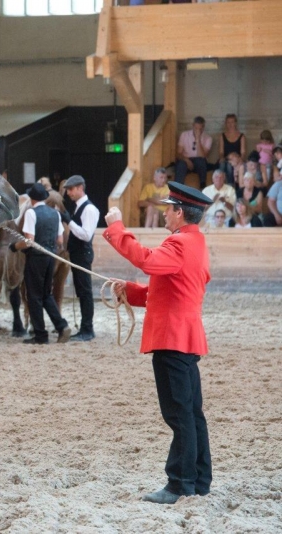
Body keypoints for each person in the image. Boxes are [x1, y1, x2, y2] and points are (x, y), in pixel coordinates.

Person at [104, 181, 213, 505]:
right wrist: (132, 291)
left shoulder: (178, 244)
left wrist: (116, 228)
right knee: (192, 414)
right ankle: (198, 479)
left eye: (168, 209)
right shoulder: (195, 242)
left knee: (179, 415)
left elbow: (148, 261)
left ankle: (180, 483)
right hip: (185, 336)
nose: (165, 213)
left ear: (179, 213)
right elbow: (169, 288)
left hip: (171, 337)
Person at [10, 183, 71, 345]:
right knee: (46, 295)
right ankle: (61, 325)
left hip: (36, 258)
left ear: (31, 199)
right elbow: (59, 240)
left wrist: (15, 246)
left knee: (34, 296)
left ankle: (40, 334)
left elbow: (29, 241)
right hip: (51, 257)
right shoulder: (55, 214)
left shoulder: (31, 213)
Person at [59, 175, 99, 342]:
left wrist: (69, 222)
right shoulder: (79, 207)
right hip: (78, 254)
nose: (68, 193)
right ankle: (85, 328)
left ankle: (87, 329)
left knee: (85, 292)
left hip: (83, 254)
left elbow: (85, 234)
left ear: (80, 188)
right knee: (82, 291)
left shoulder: (89, 209)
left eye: (71, 189)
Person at [174, 117, 212, 190]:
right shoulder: (184, 135)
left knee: (201, 161)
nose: (197, 131)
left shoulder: (208, 138)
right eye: (195, 128)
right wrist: (186, 160)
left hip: (199, 162)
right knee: (181, 164)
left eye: (200, 129)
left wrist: (198, 139)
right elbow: (178, 154)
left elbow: (202, 156)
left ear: (203, 127)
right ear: (193, 125)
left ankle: (202, 187)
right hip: (186, 160)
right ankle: (177, 190)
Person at [218, 114, 245, 181]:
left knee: (229, 166)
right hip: (226, 159)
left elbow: (243, 152)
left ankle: (231, 186)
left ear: (235, 123)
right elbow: (221, 152)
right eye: (228, 122)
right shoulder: (222, 136)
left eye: (232, 122)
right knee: (222, 164)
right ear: (226, 123)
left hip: (236, 160)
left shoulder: (241, 136)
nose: (230, 124)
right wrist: (222, 158)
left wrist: (240, 160)